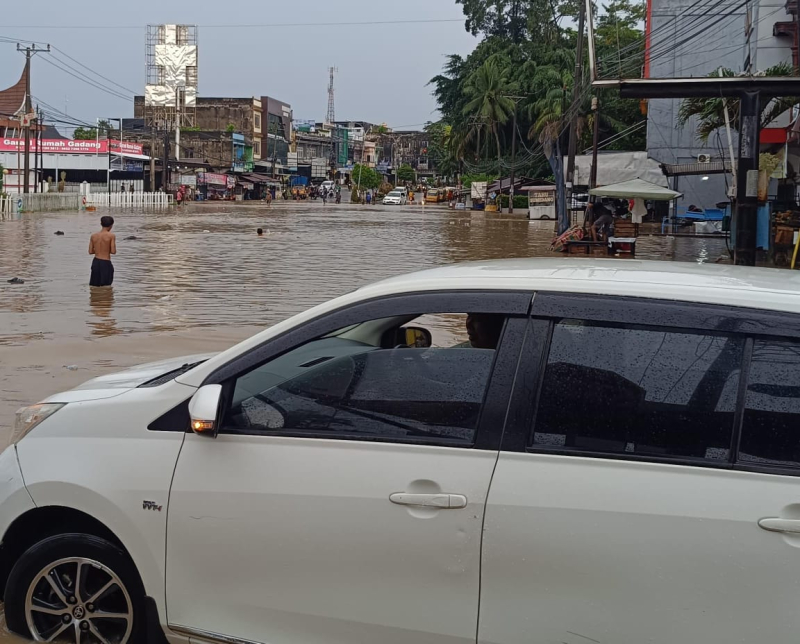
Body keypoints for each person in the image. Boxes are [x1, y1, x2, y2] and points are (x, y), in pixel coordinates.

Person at [88, 216, 116, 287]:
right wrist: (105, 250)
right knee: (106, 286)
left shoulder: (93, 236)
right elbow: (113, 251)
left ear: (101, 224)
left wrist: (98, 250)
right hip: (105, 262)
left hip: (96, 262)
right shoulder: (111, 236)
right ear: (111, 225)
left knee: (94, 286)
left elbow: (90, 251)